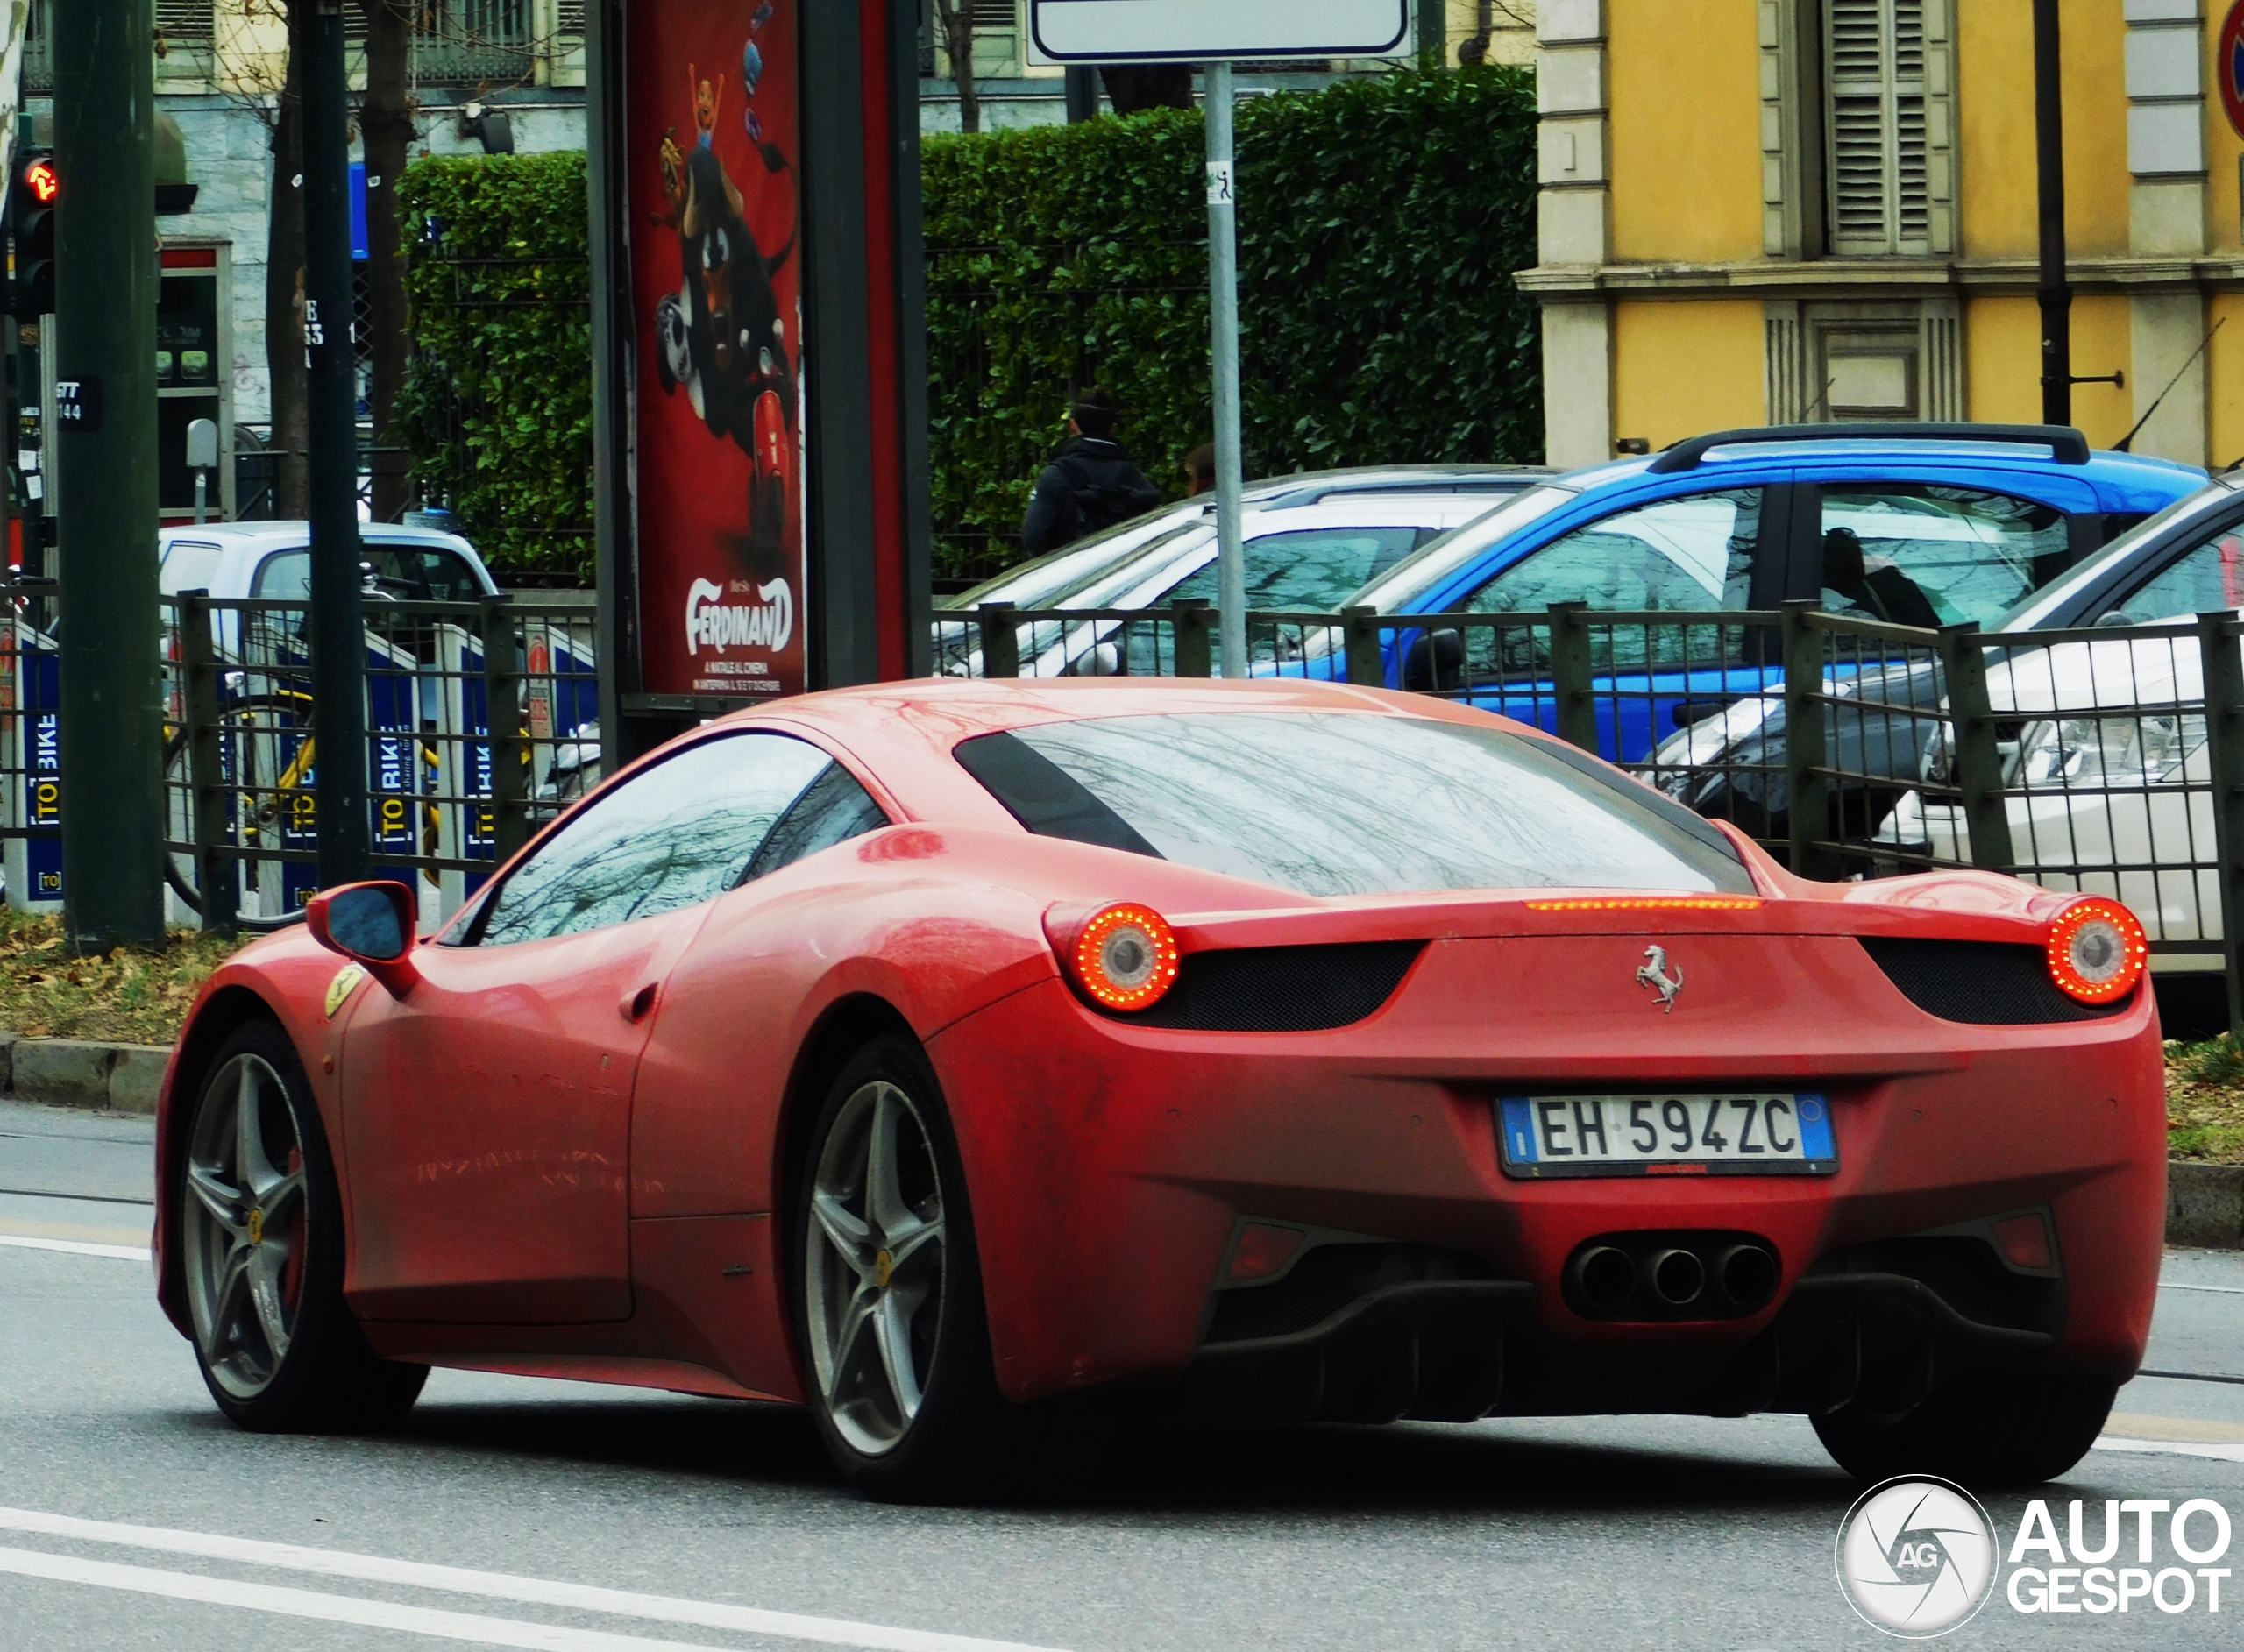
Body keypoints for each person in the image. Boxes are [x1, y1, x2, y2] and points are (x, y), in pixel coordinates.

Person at [1020, 388, 1161, 557]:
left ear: (1073, 425)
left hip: (1074, 574)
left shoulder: (1056, 475)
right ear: (1113, 428)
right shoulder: (1133, 474)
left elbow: (1034, 537)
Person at [1820, 526, 1941, 628]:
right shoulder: (1819, 597)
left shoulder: (1892, 584)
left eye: (1855, 552)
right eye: (1832, 555)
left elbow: (1935, 632)